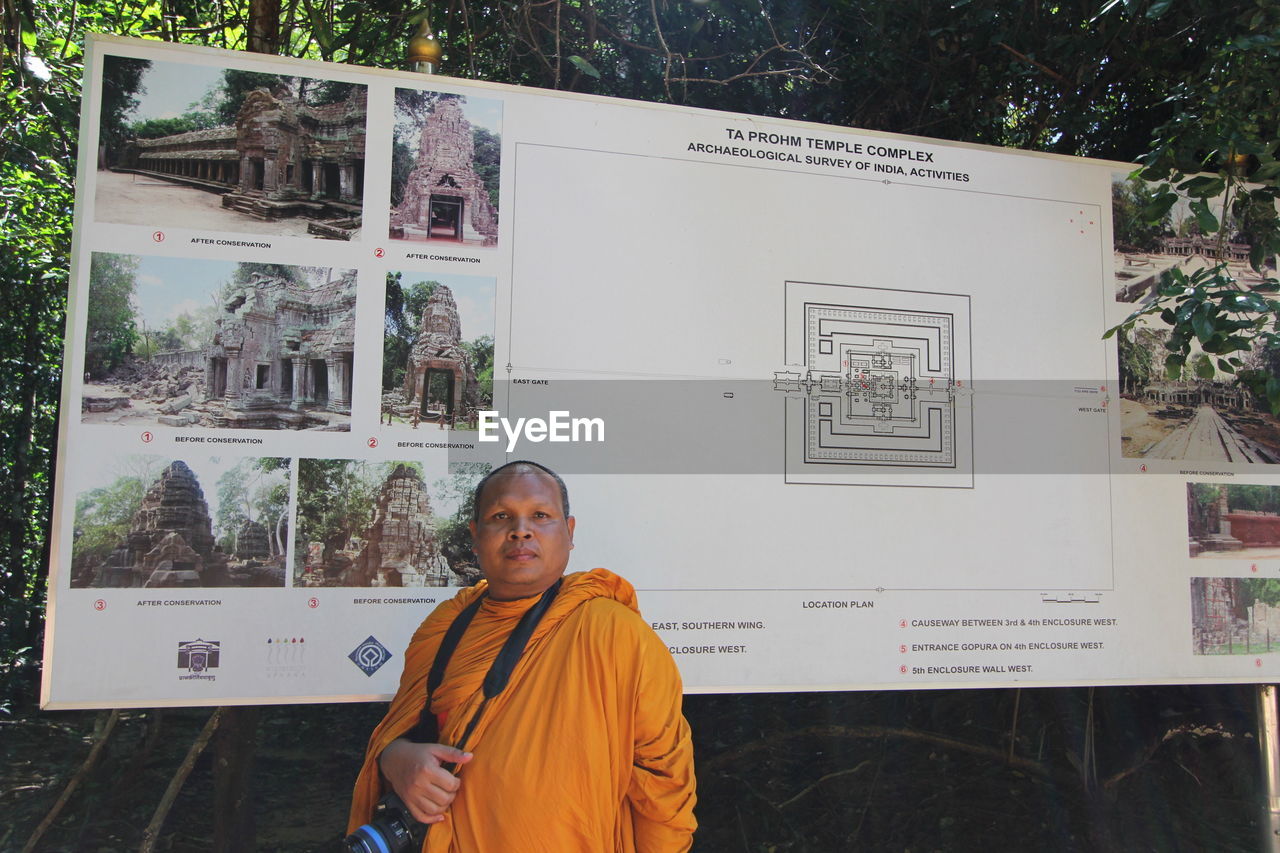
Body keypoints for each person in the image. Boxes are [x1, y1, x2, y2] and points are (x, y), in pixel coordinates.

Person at [348, 460, 697, 851]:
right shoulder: (446, 626)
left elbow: (664, 784)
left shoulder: (615, 632)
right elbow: (404, 731)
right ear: (476, 535)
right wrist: (396, 758)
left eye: (540, 515)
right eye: (501, 516)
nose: (521, 531)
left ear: (569, 531)